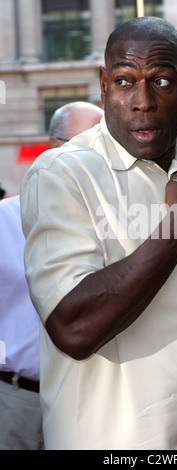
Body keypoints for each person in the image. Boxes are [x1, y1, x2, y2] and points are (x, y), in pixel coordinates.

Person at [20, 17, 177, 451]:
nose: (142, 101)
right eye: (126, 81)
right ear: (104, 84)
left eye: (161, 81)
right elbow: (73, 329)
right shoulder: (62, 173)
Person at [0, 101, 103, 450]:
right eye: (83, 146)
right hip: (18, 402)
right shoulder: (4, 220)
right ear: (52, 146)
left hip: (90, 402)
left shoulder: (114, 225)